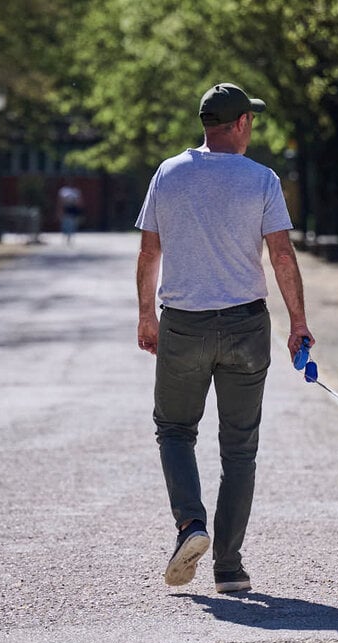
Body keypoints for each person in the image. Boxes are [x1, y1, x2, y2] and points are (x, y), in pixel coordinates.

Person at [135, 82, 313, 594]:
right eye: (250, 120)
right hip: (245, 326)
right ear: (239, 124)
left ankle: (191, 525)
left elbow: (150, 254)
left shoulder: (168, 174)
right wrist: (298, 323)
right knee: (239, 450)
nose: (252, 127)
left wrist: (146, 316)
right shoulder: (262, 179)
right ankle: (229, 568)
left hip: (184, 324)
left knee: (173, 430)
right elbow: (281, 255)